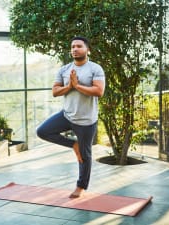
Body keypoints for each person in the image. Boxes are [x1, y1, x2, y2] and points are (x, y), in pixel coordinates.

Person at [36, 36, 105, 198]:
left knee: (85, 155)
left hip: (87, 120)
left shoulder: (95, 69)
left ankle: (80, 187)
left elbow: (99, 91)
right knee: (42, 131)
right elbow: (55, 92)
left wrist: (77, 86)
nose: (75, 49)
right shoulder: (64, 69)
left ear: (88, 50)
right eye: (73, 46)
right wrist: (69, 86)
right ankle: (73, 145)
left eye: (79, 46)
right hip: (66, 115)